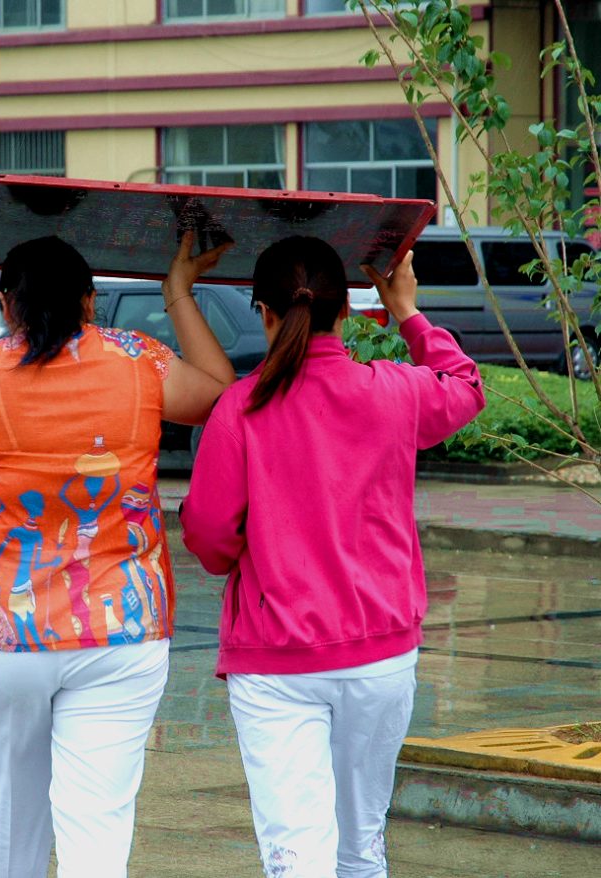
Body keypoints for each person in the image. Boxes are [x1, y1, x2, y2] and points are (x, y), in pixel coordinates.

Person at [0, 225, 235, 878]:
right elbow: (220, 391)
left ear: (6, 306)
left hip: (5, 632)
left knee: (10, 819)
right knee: (97, 830)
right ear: (90, 302)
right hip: (122, 630)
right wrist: (177, 292)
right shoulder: (140, 361)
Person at [178, 236, 486, 878]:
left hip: (275, 658)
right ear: (346, 312)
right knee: (360, 849)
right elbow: (465, 386)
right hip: (381, 655)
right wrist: (407, 310)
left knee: (298, 856)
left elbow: (208, 537)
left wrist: (256, 551)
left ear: (262, 311)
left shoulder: (241, 409)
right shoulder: (395, 392)